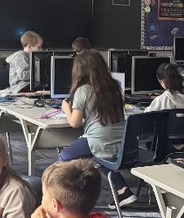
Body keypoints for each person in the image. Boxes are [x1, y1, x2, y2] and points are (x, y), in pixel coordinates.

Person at [57, 50, 134, 207]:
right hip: (121, 141)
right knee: (98, 158)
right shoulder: (114, 87)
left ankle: (69, 198)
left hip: (99, 140)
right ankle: (123, 190)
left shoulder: (83, 90)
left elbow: (74, 123)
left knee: (64, 157)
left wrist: (66, 108)